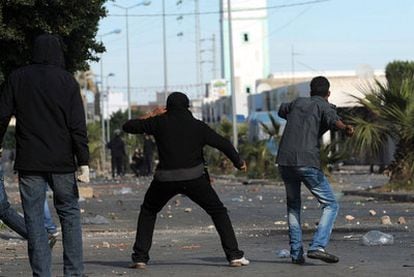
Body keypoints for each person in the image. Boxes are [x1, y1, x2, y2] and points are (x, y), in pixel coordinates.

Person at [123, 92, 249, 268]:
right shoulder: (198, 126)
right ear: (187, 106)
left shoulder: (159, 122)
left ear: (167, 107)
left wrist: (152, 114)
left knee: (149, 211)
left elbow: (128, 126)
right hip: (194, 178)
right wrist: (238, 162)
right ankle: (234, 256)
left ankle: (140, 258)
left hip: (164, 179)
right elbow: (223, 144)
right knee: (218, 212)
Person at [0, 34, 89, 277]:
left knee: (34, 219)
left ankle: (42, 274)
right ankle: (74, 273)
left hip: (30, 162)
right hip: (62, 163)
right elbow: (77, 126)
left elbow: (2, 116)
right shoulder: (67, 81)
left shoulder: (17, 78)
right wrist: (84, 161)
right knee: (69, 214)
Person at [276, 76, 354, 265]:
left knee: (293, 206)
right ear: (328, 93)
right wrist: (346, 128)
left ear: (310, 91)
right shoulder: (324, 106)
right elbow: (334, 121)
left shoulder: (298, 103)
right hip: (306, 161)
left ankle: (296, 253)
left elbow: (281, 109)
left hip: (285, 161)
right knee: (331, 204)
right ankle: (317, 246)